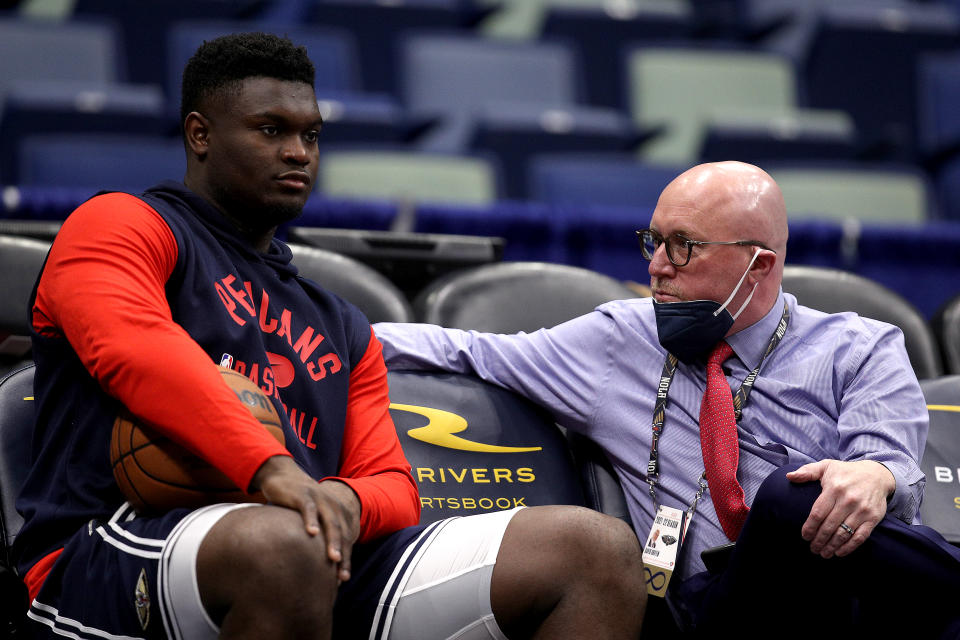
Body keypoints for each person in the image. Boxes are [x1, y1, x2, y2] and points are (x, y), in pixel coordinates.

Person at [13, 32, 647, 639]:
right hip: (107, 544)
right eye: (271, 130)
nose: (299, 152)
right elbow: (137, 351)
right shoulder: (121, 225)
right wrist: (274, 471)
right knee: (288, 547)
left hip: (309, 550)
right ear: (199, 134)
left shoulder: (341, 322)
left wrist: (342, 499)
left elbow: (392, 485)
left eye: (311, 135)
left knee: (597, 551)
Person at [374, 161, 960, 637]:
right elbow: (469, 351)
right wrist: (324, 336)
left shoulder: (857, 347)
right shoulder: (617, 341)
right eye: (654, 241)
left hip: (835, 598)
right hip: (703, 610)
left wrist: (873, 475)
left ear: (759, 264)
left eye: (683, 247)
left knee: (803, 497)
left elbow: (893, 472)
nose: (656, 266)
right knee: (789, 493)